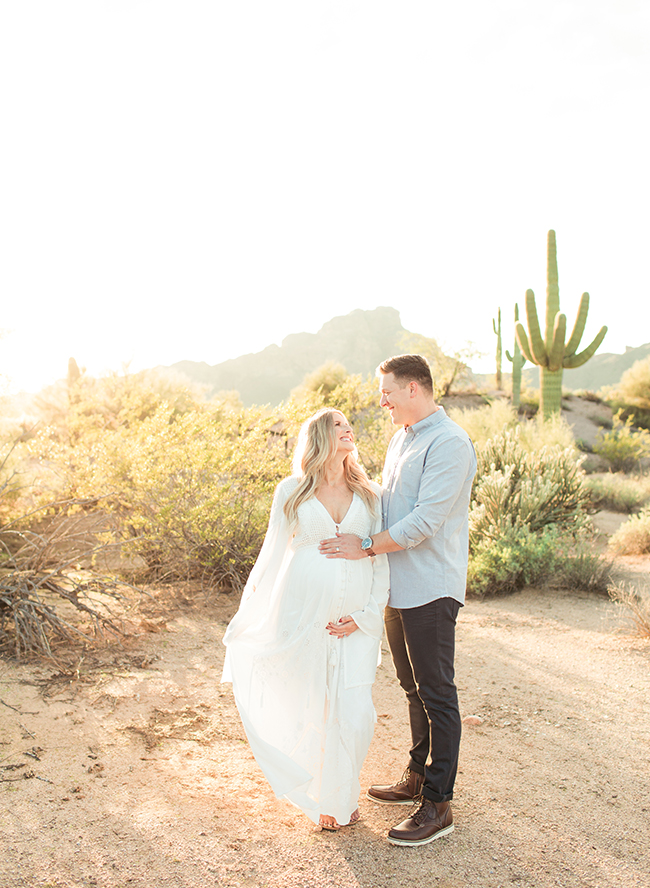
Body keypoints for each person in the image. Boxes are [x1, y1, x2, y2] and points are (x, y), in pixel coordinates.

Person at [319, 354, 477, 846]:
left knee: (436, 692)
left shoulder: (450, 443)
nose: (381, 400)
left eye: (387, 390)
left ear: (414, 388)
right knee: (412, 688)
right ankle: (416, 776)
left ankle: (438, 804)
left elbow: (425, 521)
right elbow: (387, 503)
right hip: (395, 586)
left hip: (431, 588)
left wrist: (364, 546)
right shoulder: (401, 438)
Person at [222, 407, 389, 831]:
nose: (347, 427)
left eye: (348, 423)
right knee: (313, 705)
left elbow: (382, 560)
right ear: (318, 435)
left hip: (356, 621)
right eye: (336, 424)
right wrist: (249, 614)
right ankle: (332, 801)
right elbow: (272, 555)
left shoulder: (371, 493)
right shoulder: (291, 490)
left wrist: (368, 615)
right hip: (303, 614)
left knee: (355, 712)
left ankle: (341, 791)